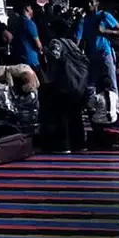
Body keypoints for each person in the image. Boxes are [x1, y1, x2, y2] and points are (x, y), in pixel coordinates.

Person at [42, 18, 89, 154]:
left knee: (62, 114)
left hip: (64, 83)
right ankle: (79, 143)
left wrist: (45, 52)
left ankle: (64, 145)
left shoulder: (56, 42)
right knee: (76, 114)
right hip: (77, 84)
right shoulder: (72, 44)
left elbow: (55, 57)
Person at [77, 0, 119, 95]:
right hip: (92, 55)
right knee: (91, 84)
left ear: (97, 4)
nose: (89, 4)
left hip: (105, 53)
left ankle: (114, 107)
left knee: (112, 82)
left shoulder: (105, 16)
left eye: (91, 2)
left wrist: (105, 31)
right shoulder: (85, 20)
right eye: (88, 2)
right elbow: (83, 40)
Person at [11, 4, 43, 74]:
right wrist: (42, 50)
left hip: (19, 58)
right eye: (31, 8)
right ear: (27, 9)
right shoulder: (29, 23)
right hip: (31, 60)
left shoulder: (17, 22)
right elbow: (38, 44)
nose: (33, 10)